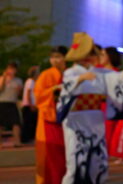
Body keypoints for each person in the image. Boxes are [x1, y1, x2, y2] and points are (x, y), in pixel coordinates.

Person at [58, 32, 123, 184]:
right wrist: (79, 79)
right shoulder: (70, 73)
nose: (90, 57)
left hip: (96, 119)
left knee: (97, 160)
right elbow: (66, 90)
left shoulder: (100, 73)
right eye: (87, 54)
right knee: (75, 159)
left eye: (91, 53)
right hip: (77, 120)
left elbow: (114, 78)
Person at [34, 46, 68, 184]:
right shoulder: (46, 74)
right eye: (53, 57)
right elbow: (38, 96)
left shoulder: (69, 73)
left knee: (64, 155)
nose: (54, 60)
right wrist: (53, 90)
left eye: (58, 57)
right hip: (49, 119)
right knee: (49, 155)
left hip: (65, 119)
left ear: (65, 58)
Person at [100, 46, 122, 154]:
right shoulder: (97, 71)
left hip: (108, 109)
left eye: (103, 55)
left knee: (107, 137)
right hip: (96, 109)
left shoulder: (115, 74)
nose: (100, 57)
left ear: (109, 57)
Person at [0, 61, 23, 147]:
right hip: (2, 103)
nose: (12, 70)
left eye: (13, 69)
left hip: (12, 103)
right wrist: (5, 78)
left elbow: (20, 95)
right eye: (10, 68)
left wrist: (19, 90)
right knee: (0, 124)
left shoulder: (18, 80)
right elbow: (0, 90)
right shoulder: (1, 78)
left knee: (16, 123)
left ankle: (17, 142)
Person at [21, 65, 40, 143]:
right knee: (28, 123)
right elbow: (28, 94)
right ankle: (26, 139)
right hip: (28, 105)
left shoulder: (33, 82)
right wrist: (31, 105)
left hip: (32, 105)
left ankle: (32, 137)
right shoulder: (30, 81)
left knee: (33, 122)